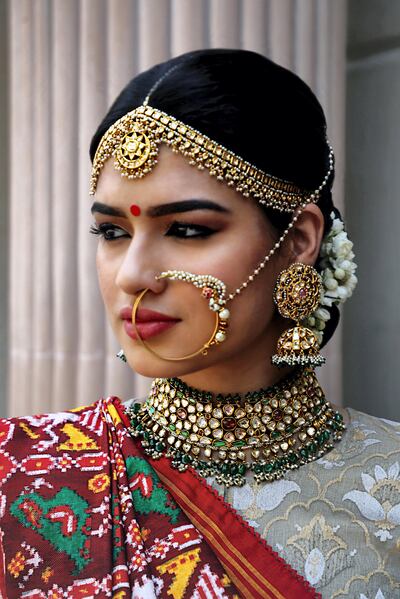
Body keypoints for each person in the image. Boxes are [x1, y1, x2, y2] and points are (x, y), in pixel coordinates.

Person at [0, 49, 399, 599]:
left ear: (300, 241)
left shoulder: (392, 483)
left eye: (187, 229)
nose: (134, 276)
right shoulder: (23, 477)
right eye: (112, 233)